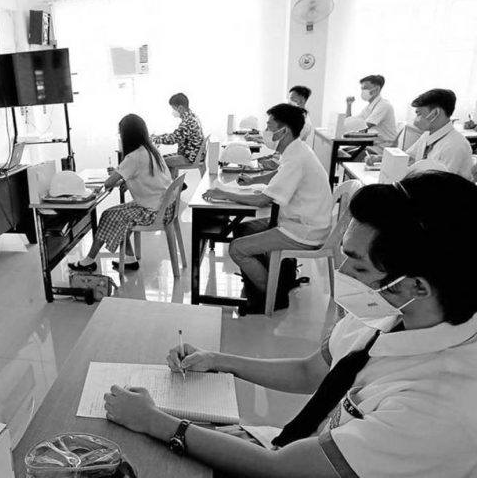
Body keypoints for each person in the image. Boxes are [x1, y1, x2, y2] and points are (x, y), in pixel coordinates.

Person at [103, 171, 477, 477]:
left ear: (418, 285)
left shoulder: (440, 406)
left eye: (359, 266)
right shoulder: (392, 313)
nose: (342, 273)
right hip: (293, 448)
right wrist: (218, 360)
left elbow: (281, 470)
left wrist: (156, 422)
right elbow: (309, 371)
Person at [204, 104, 333, 312]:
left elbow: (263, 201)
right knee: (242, 229)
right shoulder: (296, 150)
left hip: (304, 230)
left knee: (236, 248)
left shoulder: (296, 158)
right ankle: (264, 281)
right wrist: (253, 179)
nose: (265, 131)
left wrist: (224, 192)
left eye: (269, 126)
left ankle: (272, 295)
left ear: (284, 131)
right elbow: (277, 175)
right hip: (302, 221)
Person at [68, 114, 172, 272]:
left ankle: (88, 260)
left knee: (109, 215)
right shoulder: (151, 150)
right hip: (164, 206)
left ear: (127, 135)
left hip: (152, 212)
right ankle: (129, 258)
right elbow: (145, 175)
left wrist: (117, 175)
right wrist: (123, 178)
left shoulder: (134, 157)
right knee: (119, 214)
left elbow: (109, 182)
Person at [368, 89, 472, 180]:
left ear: (435, 113)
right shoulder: (427, 136)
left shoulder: (455, 146)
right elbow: (408, 157)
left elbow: (442, 186)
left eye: (419, 113)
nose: (415, 120)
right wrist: (381, 158)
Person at [151, 93, 204, 183]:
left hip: (189, 157)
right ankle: (175, 186)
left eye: (173, 108)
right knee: (162, 158)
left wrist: (155, 139)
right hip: (191, 154)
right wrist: (158, 137)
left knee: (161, 162)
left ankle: (174, 187)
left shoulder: (188, 122)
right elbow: (176, 135)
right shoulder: (192, 117)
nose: (173, 111)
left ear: (180, 108)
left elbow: (173, 139)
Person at [345, 74, 397, 155]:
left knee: (348, 156)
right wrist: (349, 105)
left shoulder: (383, 105)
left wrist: (349, 126)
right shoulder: (370, 106)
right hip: (370, 145)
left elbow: (363, 126)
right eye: (361, 89)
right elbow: (349, 122)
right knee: (343, 152)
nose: (362, 91)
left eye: (365, 88)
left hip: (381, 149)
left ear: (377, 89)